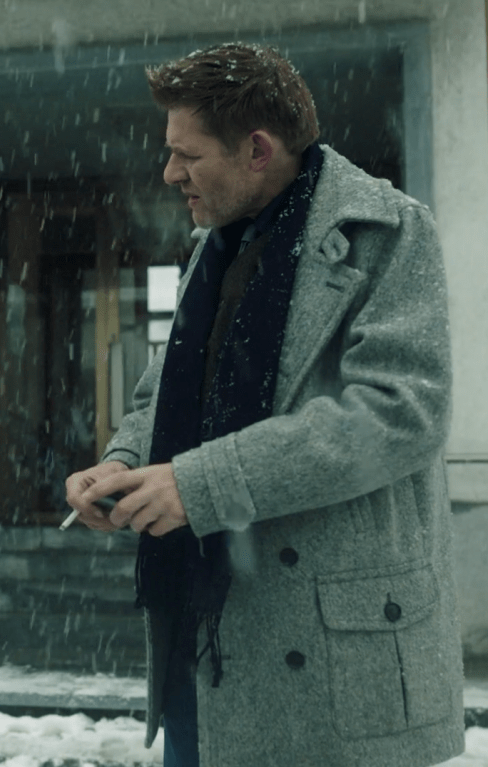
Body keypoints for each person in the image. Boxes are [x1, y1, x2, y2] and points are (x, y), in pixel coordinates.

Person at [65, 43, 464, 767]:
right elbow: (168, 390)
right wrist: (122, 460)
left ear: (256, 150)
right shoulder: (212, 250)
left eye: (187, 154)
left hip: (335, 667)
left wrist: (199, 484)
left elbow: (402, 412)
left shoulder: (391, 231)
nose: (169, 172)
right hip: (203, 638)